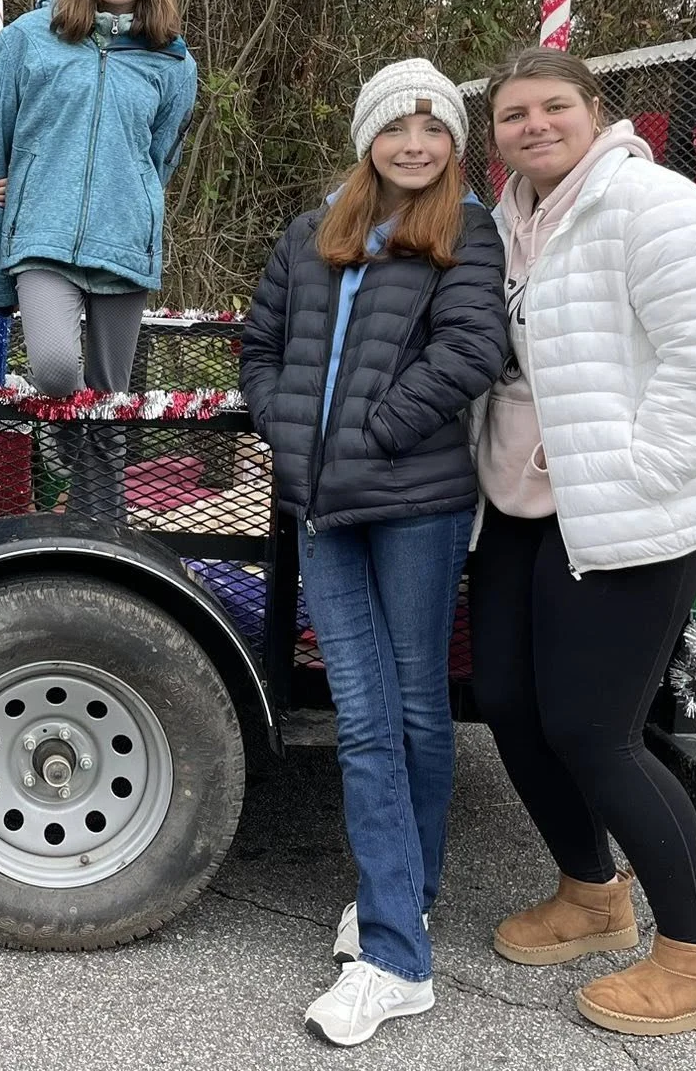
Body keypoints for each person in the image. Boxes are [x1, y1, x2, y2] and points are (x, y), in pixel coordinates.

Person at [469, 49, 696, 1036]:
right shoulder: (508, 220)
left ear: (596, 113)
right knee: (505, 698)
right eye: (511, 113)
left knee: (596, 732)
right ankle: (589, 895)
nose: (532, 124)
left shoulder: (652, 206)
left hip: (626, 508)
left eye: (552, 106)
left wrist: (638, 473)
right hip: (521, 499)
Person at [240, 59, 506, 1046]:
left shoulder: (466, 231)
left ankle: (395, 948)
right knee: (363, 719)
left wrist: (375, 430)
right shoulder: (314, 231)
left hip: (414, 507)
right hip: (320, 509)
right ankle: (401, 905)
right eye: (395, 126)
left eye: (432, 128)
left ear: (451, 144)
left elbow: (471, 349)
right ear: (366, 137)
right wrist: (284, 430)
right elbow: (259, 348)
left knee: (411, 706)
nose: (413, 144)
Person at [0, 0, 197, 520]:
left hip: (124, 246)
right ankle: (65, 454)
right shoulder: (27, 39)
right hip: (41, 236)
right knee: (53, 367)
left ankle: (100, 533)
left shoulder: (173, 62)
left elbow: (160, 158)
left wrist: (136, 203)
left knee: (112, 402)